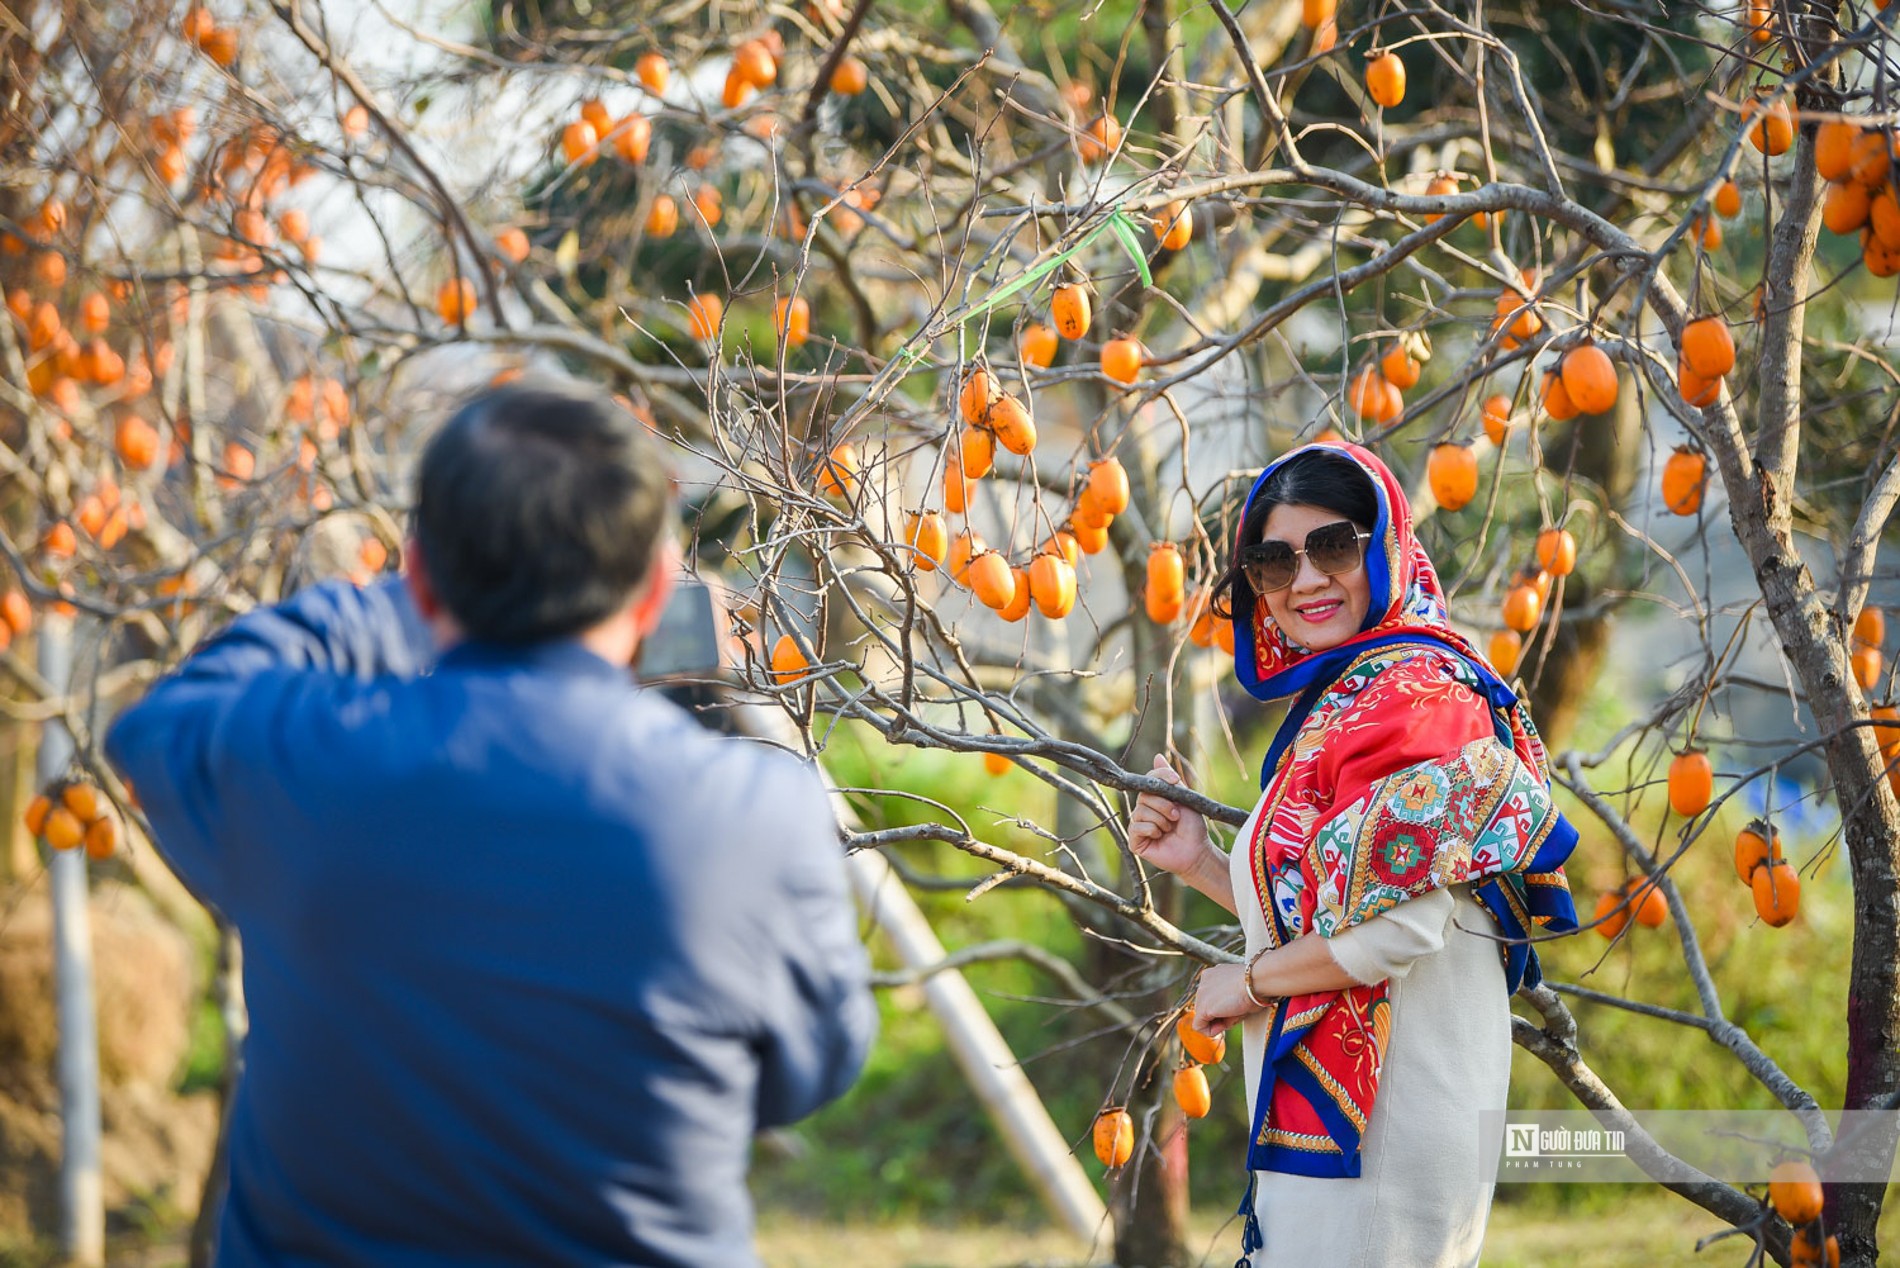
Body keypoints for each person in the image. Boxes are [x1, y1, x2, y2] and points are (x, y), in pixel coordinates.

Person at [106, 382, 877, 1267]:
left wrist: (390, 606)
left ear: (422, 570)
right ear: (658, 584)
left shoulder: (304, 772)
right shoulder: (753, 816)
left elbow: (160, 726)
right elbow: (814, 1066)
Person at [1128, 441, 1577, 1267]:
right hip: (1351, 1120)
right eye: (1272, 562)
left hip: (1391, 1128)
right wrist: (1200, 862)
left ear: (1387, 549)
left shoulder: (1419, 701)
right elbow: (1342, 910)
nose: (1303, 581)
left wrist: (1248, 981)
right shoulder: (1350, 700)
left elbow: (1398, 935)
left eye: (1332, 547)